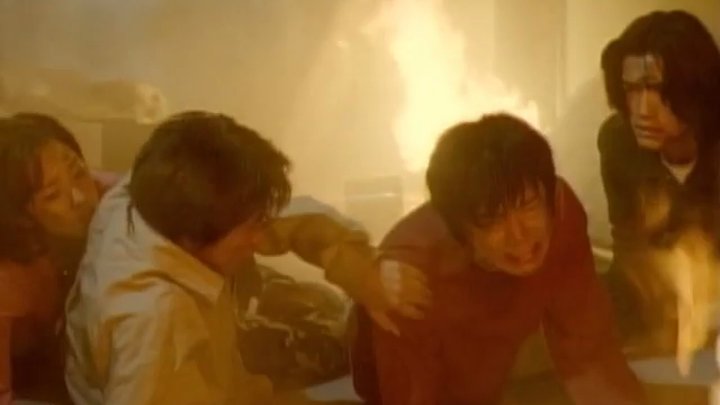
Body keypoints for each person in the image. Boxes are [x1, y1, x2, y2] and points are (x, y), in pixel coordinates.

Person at [65, 111, 429, 405]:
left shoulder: (145, 194)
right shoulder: (159, 327)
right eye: (250, 228)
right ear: (192, 239)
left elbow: (286, 221)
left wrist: (360, 270)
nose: (260, 239)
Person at [352, 114, 645, 405]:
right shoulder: (410, 274)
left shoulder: (561, 214)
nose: (518, 235)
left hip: (493, 377)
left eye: (528, 206)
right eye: (492, 219)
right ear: (461, 230)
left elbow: (589, 351)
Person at [597, 10, 720, 348]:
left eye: (657, 88)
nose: (642, 109)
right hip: (655, 304)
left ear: (698, 88)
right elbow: (630, 249)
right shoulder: (619, 142)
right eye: (631, 89)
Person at [0, 114, 117, 404]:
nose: (80, 197)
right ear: (21, 215)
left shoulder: (108, 197)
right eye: (53, 195)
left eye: (78, 171)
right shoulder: (9, 279)